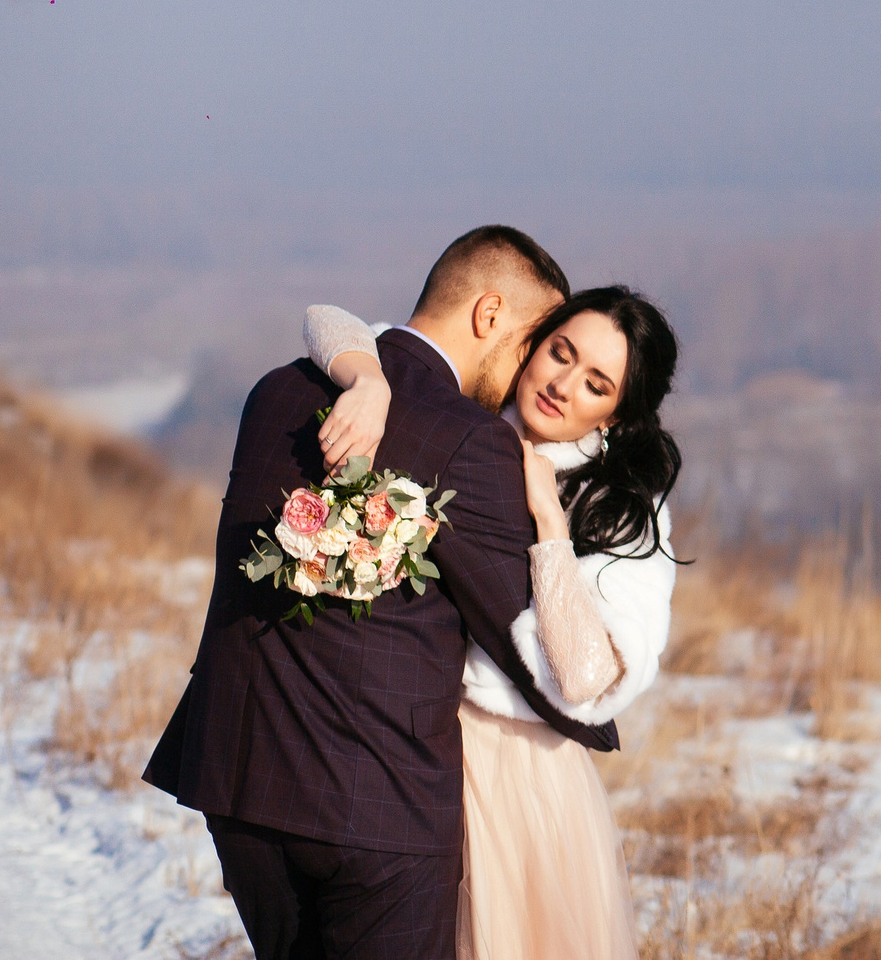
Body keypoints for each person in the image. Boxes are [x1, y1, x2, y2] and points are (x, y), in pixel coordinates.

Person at [145, 225, 615, 960]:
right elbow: (526, 641)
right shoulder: (471, 439)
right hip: (374, 816)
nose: (530, 372)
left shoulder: (276, 391)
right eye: (532, 341)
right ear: (490, 315)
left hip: (236, 780)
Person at [307, 283, 682, 960]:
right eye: (561, 353)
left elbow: (587, 675)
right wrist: (369, 384)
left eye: (596, 383)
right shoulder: (466, 411)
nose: (563, 385)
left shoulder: (626, 508)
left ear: (617, 415)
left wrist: (549, 521)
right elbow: (328, 318)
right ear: (534, 341)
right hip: (404, 746)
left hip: (519, 777)